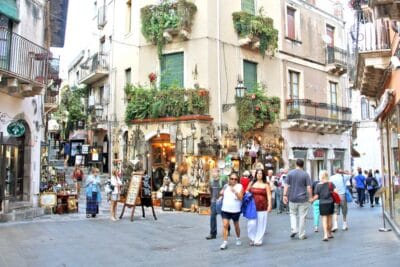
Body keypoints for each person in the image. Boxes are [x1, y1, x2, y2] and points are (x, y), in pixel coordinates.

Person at [283, 159, 312, 240]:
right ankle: (301, 234)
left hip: (292, 197)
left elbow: (286, 185)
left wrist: (284, 195)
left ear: (296, 164)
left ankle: (294, 229)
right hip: (303, 198)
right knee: (302, 216)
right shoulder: (305, 174)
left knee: (292, 214)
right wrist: (310, 197)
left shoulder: (290, 173)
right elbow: (309, 187)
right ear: (303, 165)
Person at [246, 169, 272, 246]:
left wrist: (269, 205)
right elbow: (246, 191)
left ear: (263, 175)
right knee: (251, 223)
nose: (259, 175)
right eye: (258, 173)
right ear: (256, 175)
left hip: (263, 206)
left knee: (261, 224)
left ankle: (258, 240)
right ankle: (252, 238)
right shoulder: (252, 183)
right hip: (252, 207)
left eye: (261, 173)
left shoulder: (266, 185)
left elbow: (269, 195)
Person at [219, 172, 243, 250]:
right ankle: (225, 242)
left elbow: (240, 198)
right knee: (225, 225)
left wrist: (235, 191)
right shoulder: (226, 186)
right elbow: (221, 193)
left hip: (235, 210)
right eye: (232, 179)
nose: (233, 180)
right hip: (225, 209)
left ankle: (238, 238)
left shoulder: (240, 186)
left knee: (236, 225)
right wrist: (221, 193)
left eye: (235, 179)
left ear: (237, 180)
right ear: (229, 179)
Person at [311, 170, 336, 241]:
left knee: (324, 219)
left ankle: (325, 235)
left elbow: (316, 196)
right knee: (330, 218)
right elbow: (336, 192)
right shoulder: (331, 184)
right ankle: (330, 233)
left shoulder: (318, 185)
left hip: (322, 203)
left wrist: (312, 200)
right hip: (330, 202)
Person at [206, 168, 226, 240]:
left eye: (215, 172)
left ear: (218, 173)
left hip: (222, 202)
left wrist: (222, 197)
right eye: (213, 172)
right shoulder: (211, 182)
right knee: (212, 217)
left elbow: (226, 189)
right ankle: (213, 233)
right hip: (214, 202)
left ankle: (228, 228)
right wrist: (212, 199)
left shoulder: (222, 181)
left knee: (224, 217)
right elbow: (211, 191)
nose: (214, 173)